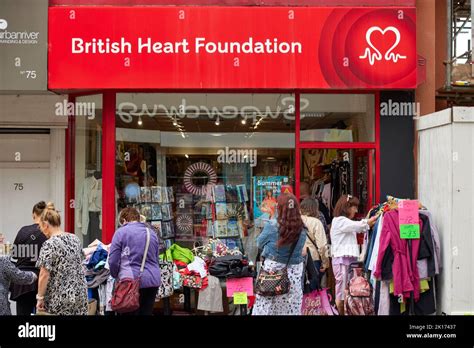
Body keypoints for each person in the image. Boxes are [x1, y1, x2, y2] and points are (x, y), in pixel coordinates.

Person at [252, 193, 307, 315]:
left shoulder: (272, 225)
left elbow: (259, 243)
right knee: (289, 309)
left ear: (280, 208)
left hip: (272, 275)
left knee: (267, 307)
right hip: (293, 275)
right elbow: (301, 250)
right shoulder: (302, 228)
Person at [36, 202, 88, 315]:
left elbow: (44, 274)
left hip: (59, 297)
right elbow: (81, 262)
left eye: (40, 226)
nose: (41, 230)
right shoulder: (75, 238)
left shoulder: (49, 244)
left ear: (45, 224)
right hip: (80, 295)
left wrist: (40, 297)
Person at [108, 207, 161, 315]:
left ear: (123, 220)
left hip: (130, 282)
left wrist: (115, 275)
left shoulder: (121, 232)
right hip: (152, 281)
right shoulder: (151, 233)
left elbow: (113, 260)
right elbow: (156, 258)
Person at [330, 195, 376, 315]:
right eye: (354, 207)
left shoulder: (343, 222)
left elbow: (359, 226)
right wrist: (374, 218)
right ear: (346, 207)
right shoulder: (340, 221)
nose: (356, 210)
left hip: (347, 261)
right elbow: (360, 226)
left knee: (347, 291)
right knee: (342, 293)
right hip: (342, 260)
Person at [10, 201, 48, 315]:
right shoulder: (47, 232)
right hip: (41, 279)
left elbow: (15, 255)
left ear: (33, 214)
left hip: (22, 281)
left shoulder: (23, 231)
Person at [300, 198, 329, 290]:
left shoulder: (294, 221)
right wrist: (325, 263)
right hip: (313, 260)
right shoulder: (316, 222)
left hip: (296, 259)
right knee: (312, 291)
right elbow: (322, 246)